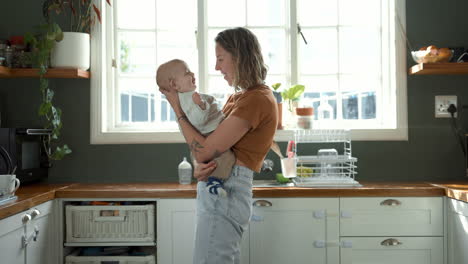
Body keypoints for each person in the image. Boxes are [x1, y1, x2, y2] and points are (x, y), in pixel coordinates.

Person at [159, 27, 278, 264]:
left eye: (220, 59)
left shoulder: (256, 99)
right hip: (222, 186)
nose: (216, 67)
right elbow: (206, 146)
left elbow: (205, 150)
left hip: (228, 188)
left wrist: (177, 109)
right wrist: (198, 165)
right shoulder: (239, 98)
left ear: (240, 56)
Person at [156, 59, 236, 197]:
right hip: (208, 135)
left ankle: (214, 182)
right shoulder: (189, 100)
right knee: (227, 157)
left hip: (203, 139)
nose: (192, 73)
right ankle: (215, 182)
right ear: (174, 84)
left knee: (215, 162)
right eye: (187, 72)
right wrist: (201, 105)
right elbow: (198, 120)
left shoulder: (183, 100)